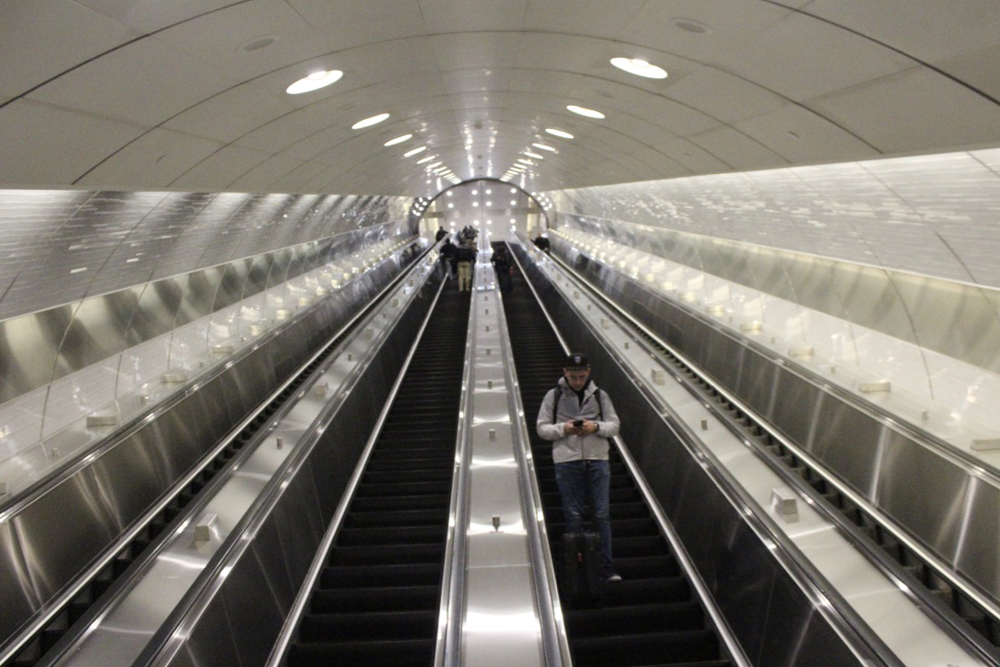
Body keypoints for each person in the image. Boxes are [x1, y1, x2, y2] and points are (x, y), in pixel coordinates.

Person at [537, 353, 621, 582]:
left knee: (601, 514)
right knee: (573, 515)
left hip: (597, 459)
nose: (577, 381)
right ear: (565, 373)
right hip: (567, 460)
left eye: (582, 376)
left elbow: (614, 425)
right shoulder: (553, 396)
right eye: (573, 376)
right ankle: (579, 571)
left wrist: (595, 427)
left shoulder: (600, 395)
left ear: (589, 372)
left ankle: (606, 568)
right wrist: (564, 428)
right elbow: (542, 428)